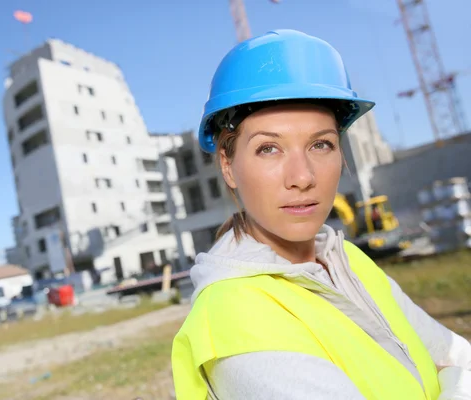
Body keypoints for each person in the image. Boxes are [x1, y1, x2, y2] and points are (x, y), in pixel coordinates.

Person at [171, 30, 471, 400]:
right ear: (228, 166)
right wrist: (454, 382)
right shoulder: (234, 313)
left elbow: (455, 353)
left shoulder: (347, 259)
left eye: (320, 144)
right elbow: (457, 368)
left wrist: (455, 373)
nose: (303, 177)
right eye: (269, 148)